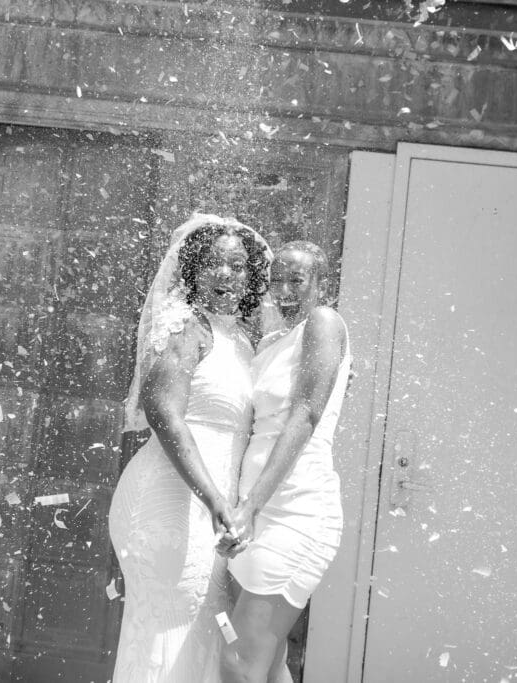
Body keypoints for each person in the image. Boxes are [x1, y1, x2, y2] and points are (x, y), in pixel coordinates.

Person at [109, 214, 272, 683]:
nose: (226, 275)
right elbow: (165, 418)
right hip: (173, 498)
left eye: (238, 266)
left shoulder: (241, 337)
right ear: (192, 270)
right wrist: (216, 501)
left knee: (202, 630)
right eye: (214, 263)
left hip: (215, 507)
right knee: (169, 627)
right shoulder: (184, 326)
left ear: (251, 275)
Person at [219, 241, 352, 683]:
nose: (284, 290)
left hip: (294, 511)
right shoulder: (277, 341)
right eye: (277, 280)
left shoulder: (324, 321)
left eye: (297, 279)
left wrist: (250, 506)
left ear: (322, 284)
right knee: (268, 664)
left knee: (239, 663)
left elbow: (306, 414)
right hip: (256, 510)